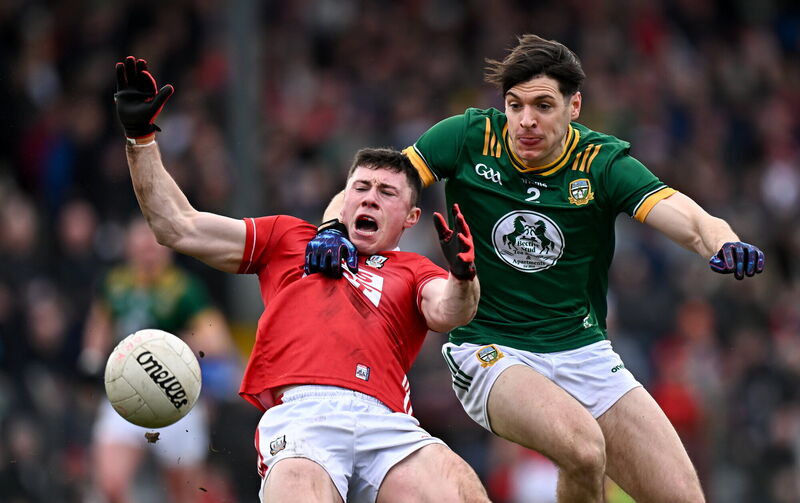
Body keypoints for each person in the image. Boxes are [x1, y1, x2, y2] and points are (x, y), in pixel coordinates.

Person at [305, 35, 765, 502]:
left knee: (684, 497)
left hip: (582, 350)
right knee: (584, 450)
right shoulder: (466, 137)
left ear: (574, 106)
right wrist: (330, 228)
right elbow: (374, 183)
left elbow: (684, 215)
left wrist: (722, 241)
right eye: (515, 105)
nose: (526, 121)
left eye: (543, 105)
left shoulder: (601, 162)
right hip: (491, 350)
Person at [112, 55, 489, 502]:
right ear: (343, 199)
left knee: (461, 491)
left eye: (386, 193)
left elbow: (449, 309)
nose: (369, 199)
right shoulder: (289, 237)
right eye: (361, 188)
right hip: (303, 417)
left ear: (410, 217)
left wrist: (464, 275)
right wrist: (140, 141)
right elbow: (177, 225)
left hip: (386, 420)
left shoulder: (414, 270)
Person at [80, 216, 238, 503]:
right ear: (128, 247)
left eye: (153, 243)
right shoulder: (115, 283)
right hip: (126, 393)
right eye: (140, 242)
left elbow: (218, 343)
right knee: (109, 482)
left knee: (184, 494)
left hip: (174, 397)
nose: (147, 250)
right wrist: (90, 358)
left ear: (167, 247)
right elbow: (99, 323)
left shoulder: (184, 289)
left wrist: (165, 346)